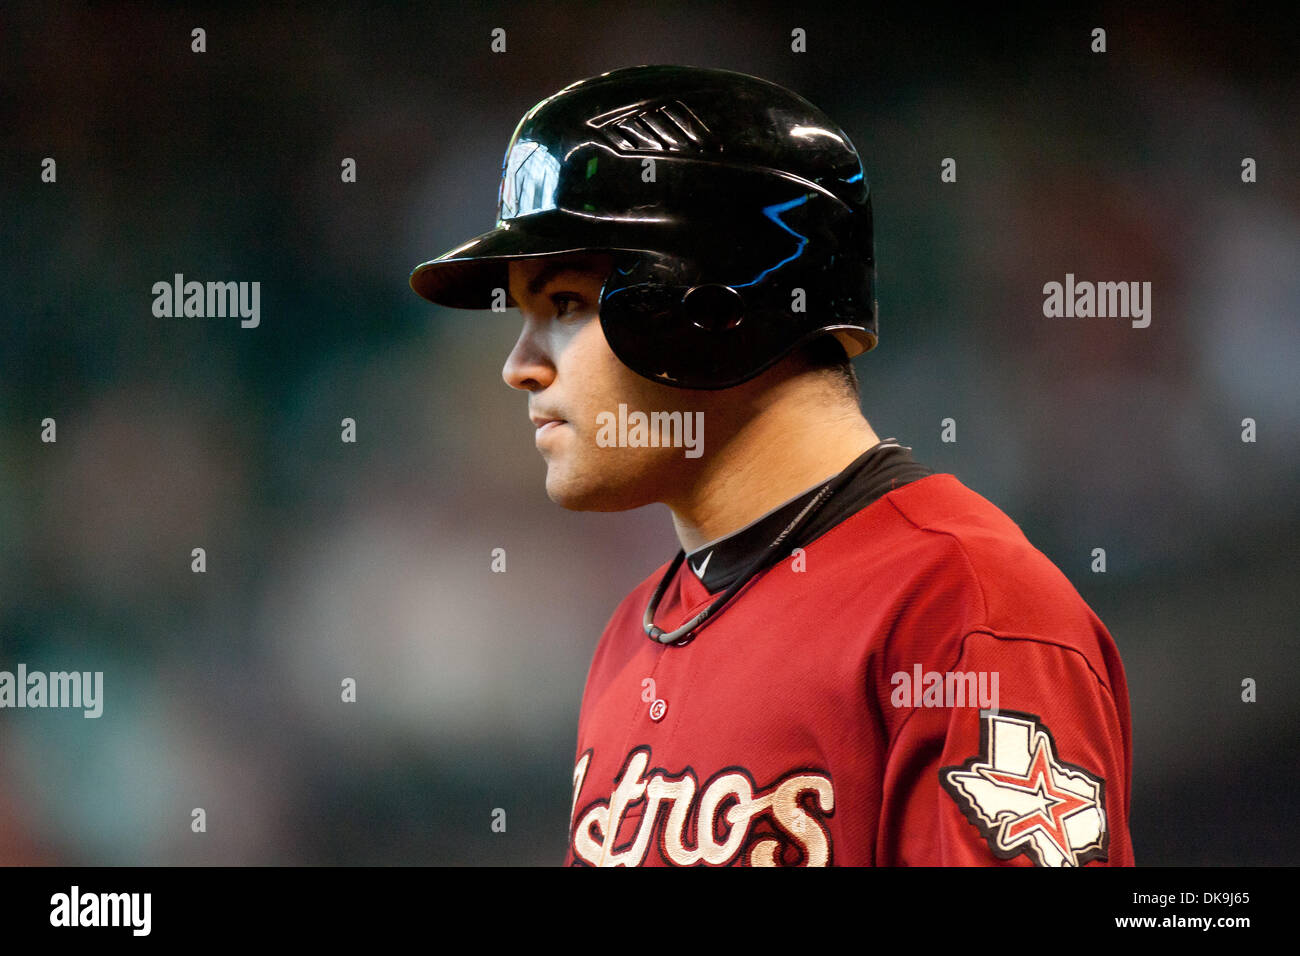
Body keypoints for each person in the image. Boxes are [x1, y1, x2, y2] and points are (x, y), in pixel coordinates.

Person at [410, 65, 1133, 867]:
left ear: (708, 306)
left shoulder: (961, 604)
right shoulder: (632, 634)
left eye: (565, 305)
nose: (519, 366)